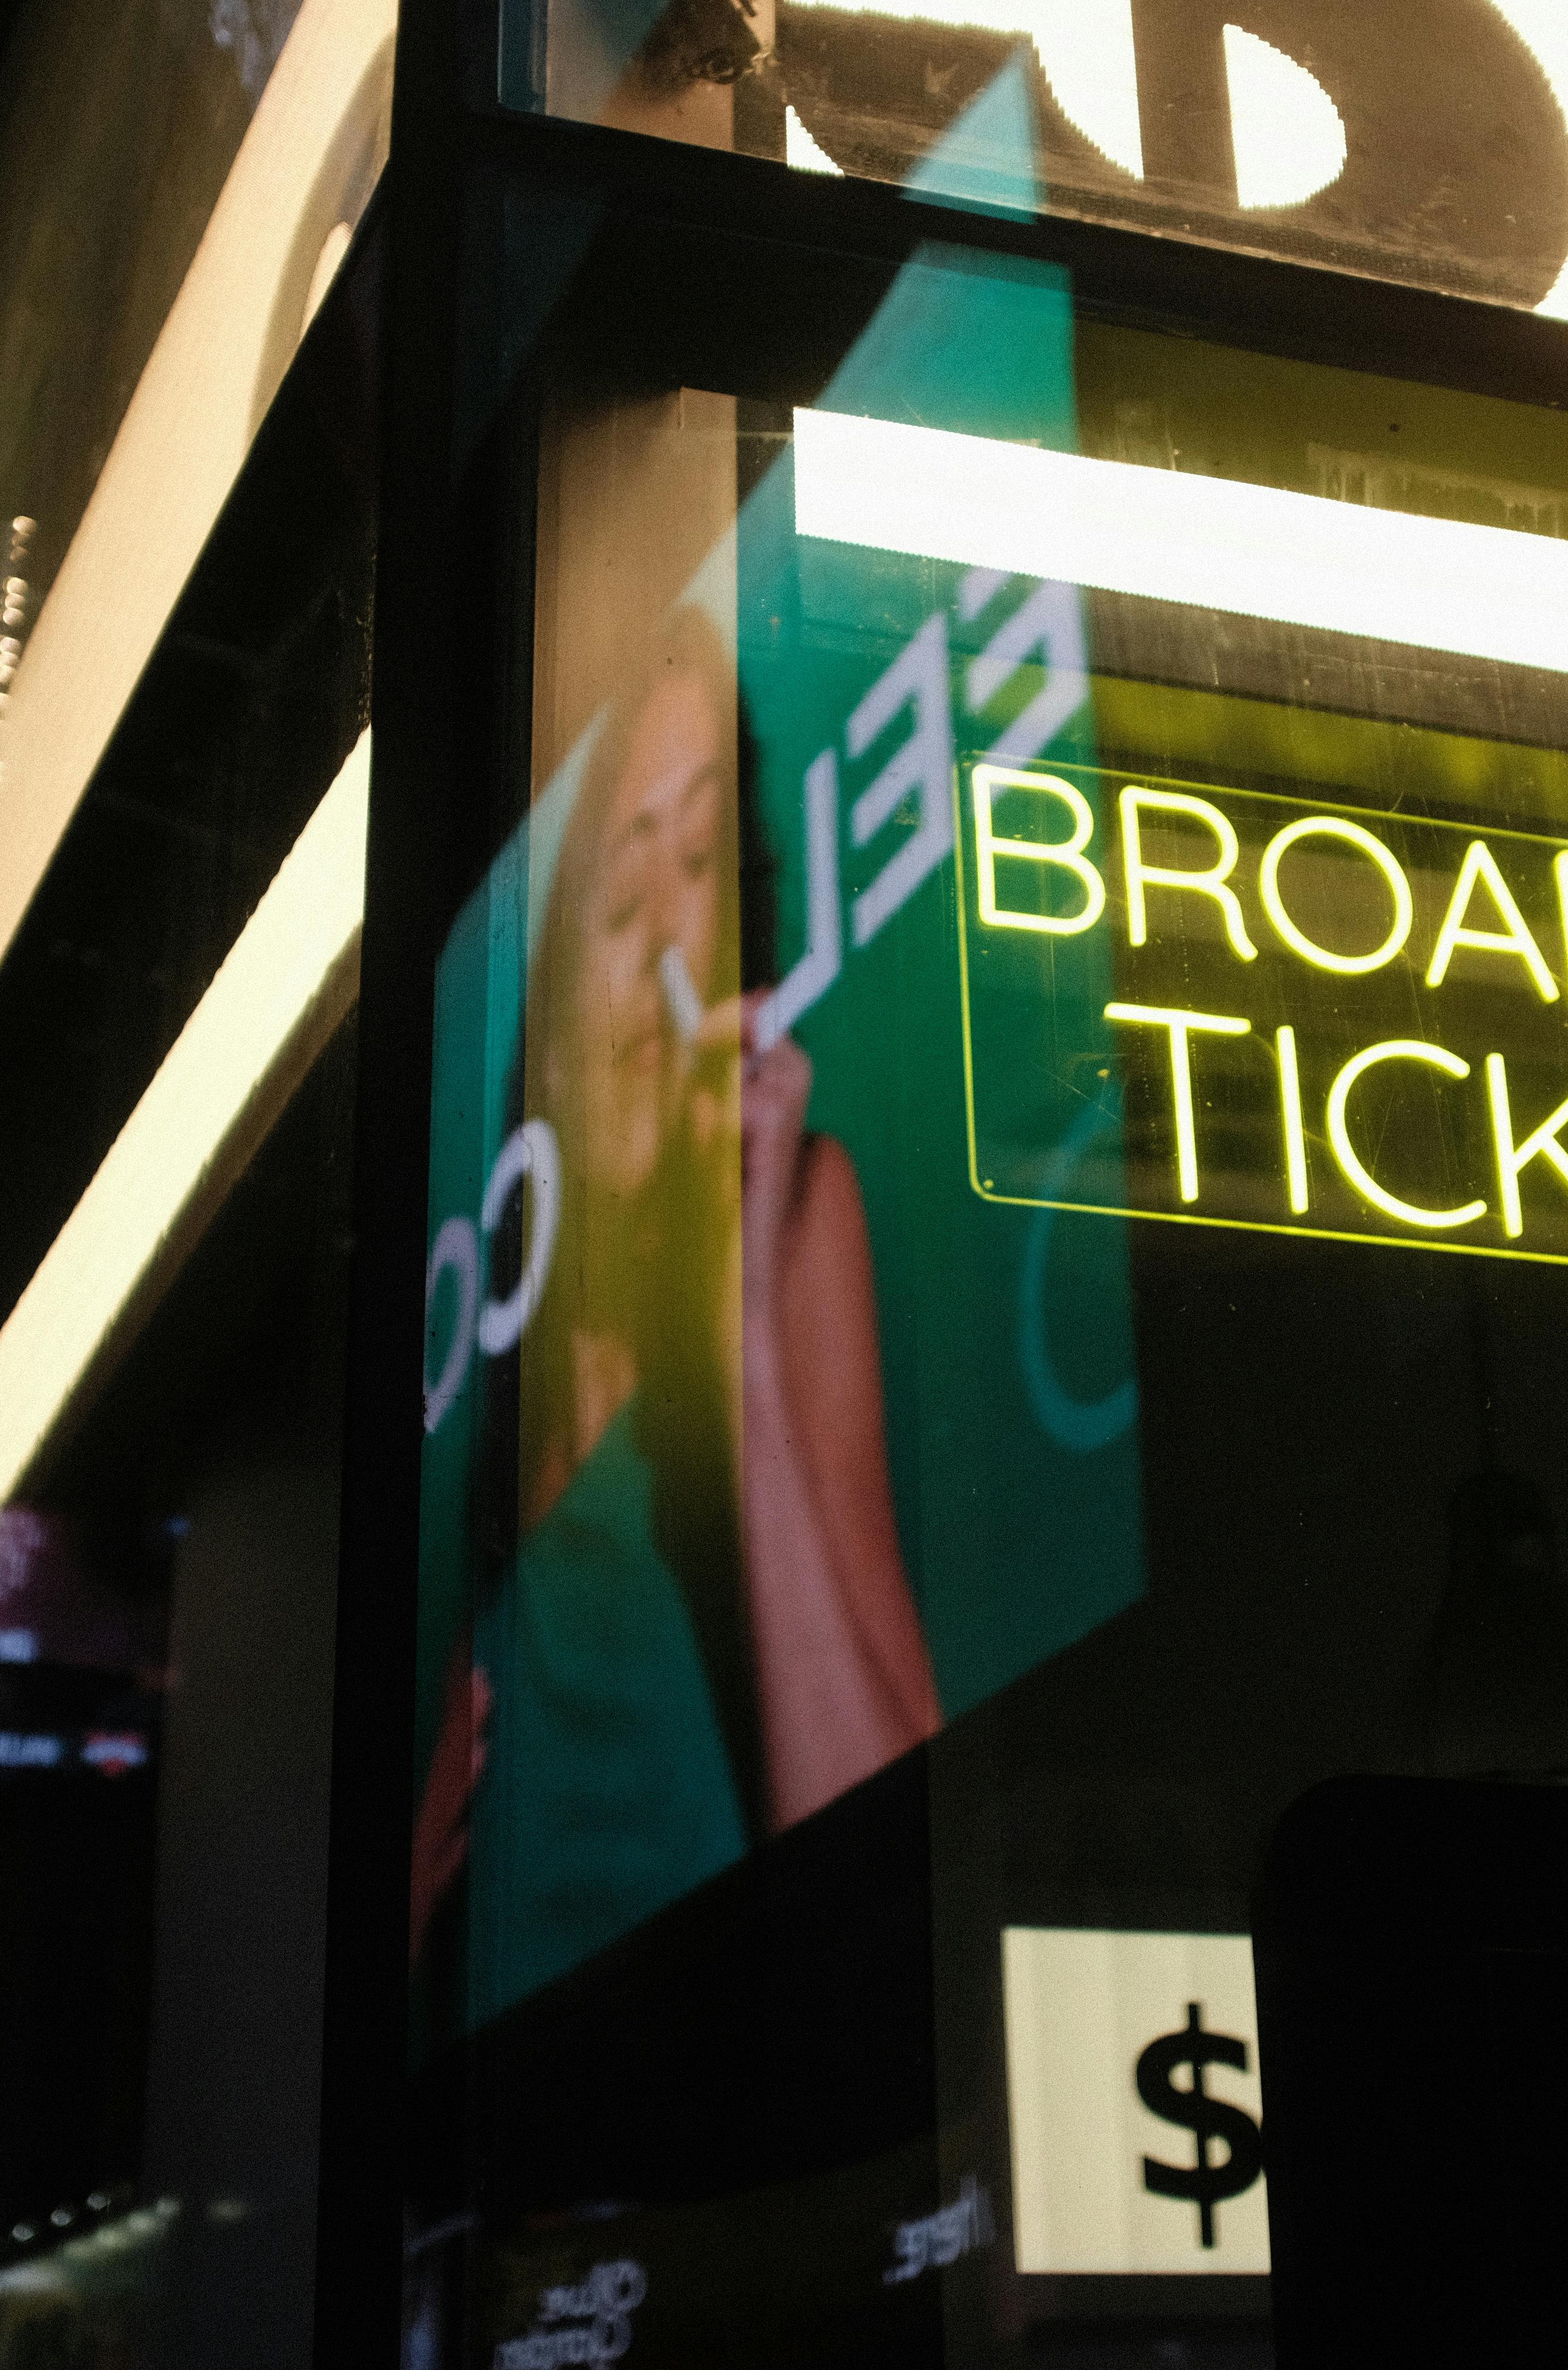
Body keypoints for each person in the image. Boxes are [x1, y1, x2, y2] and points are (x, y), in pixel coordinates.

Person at [413, 605, 937, 2001]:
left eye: (700, 858)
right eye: (621, 876)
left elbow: (888, 1869)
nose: (663, 927)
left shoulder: (798, 1217)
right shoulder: (490, 1380)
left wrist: (743, 1343)